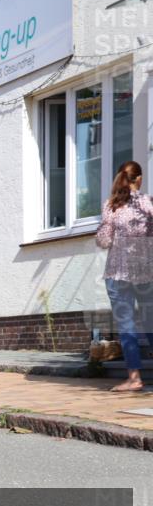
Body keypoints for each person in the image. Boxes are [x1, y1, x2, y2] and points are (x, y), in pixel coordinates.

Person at [96, 160, 153, 392]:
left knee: (127, 326)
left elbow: (104, 240)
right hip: (145, 272)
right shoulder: (147, 202)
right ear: (138, 179)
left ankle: (134, 378)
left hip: (117, 273)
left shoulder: (111, 206)